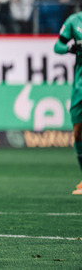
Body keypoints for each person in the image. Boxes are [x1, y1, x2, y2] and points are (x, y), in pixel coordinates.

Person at [54, 13, 82, 195]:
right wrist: (70, 47)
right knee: (78, 133)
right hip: (80, 87)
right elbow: (57, 46)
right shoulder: (75, 21)